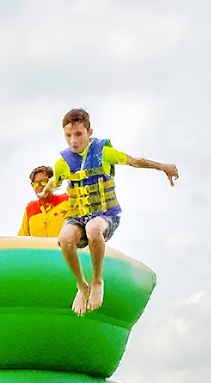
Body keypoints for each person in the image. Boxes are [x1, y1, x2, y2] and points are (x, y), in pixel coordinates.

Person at [42, 108, 178, 315]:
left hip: (105, 215)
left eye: (78, 134)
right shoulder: (63, 163)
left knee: (93, 228)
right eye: (68, 135)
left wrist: (162, 166)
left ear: (89, 132)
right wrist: (45, 190)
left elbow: (134, 161)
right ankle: (82, 285)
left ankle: (97, 281)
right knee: (65, 238)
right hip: (78, 215)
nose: (73, 141)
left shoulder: (103, 152)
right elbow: (54, 182)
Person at [18, 165, 69, 237]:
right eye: (36, 184)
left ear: (52, 183)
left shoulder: (66, 200)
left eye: (44, 182)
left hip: (63, 247)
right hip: (39, 248)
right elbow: (22, 238)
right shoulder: (30, 209)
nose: (40, 186)